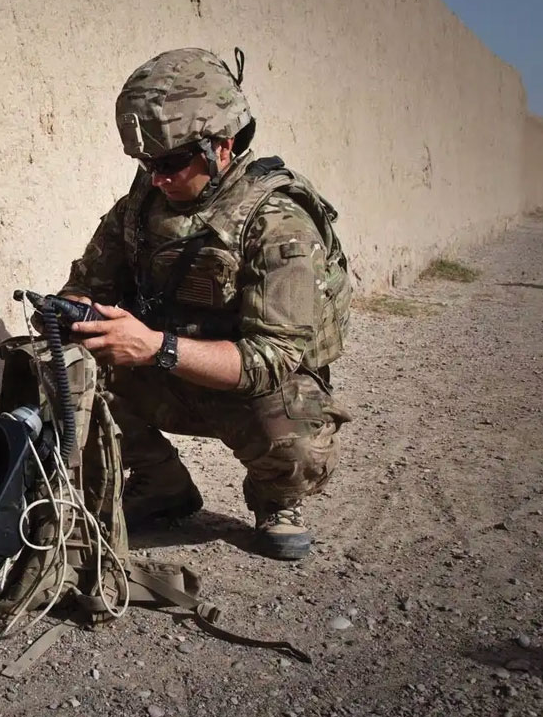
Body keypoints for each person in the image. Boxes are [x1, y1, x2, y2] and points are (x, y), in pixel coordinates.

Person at [58, 47, 352, 560]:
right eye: (147, 163)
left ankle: (275, 500)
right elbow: (89, 284)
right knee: (61, 367)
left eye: (170, 163)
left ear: (223, 146)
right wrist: (72, 311)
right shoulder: (142, 207)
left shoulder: (278, 223)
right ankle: (160, 483)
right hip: (162, 370)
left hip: (249, 389)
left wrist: (153, 347)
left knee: (297, 442)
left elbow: (270, 360)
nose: (158, 179)